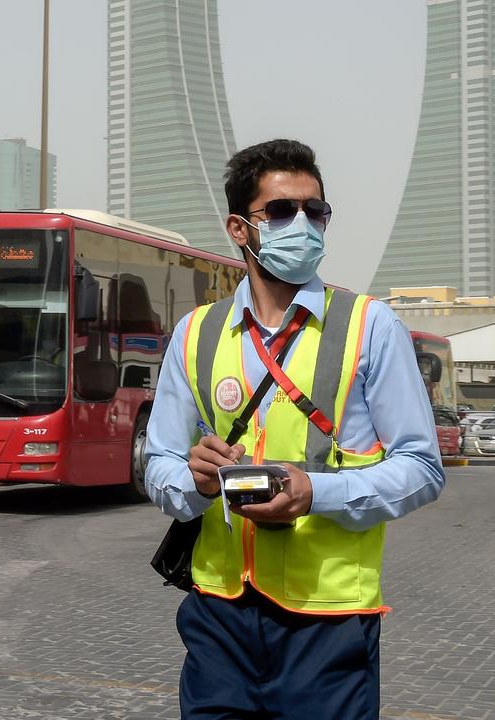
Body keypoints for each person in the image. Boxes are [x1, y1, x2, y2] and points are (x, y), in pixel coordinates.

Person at [143, 139, 445, 719]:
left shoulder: (370, 325)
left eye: (316, 211)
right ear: (239, 227)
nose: (303, 225)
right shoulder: (195, 333)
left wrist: (316, 493)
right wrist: (195, 479)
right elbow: (157, 465)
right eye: (282, 211)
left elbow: (422, 468)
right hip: (219, 615)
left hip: (327, 619)